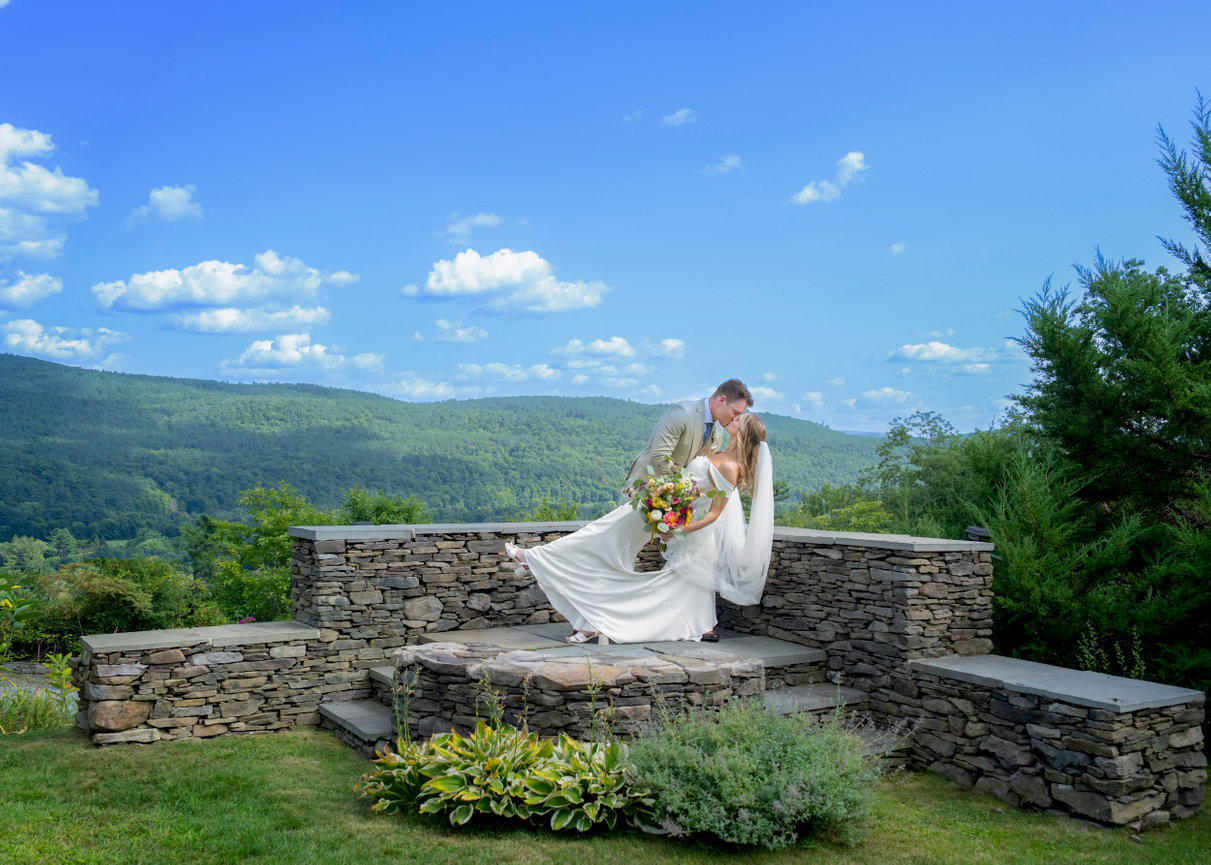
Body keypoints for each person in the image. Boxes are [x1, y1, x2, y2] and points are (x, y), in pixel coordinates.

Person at [506, 412, 773, 645]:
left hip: (696, 540)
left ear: (744, 432)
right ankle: (587, 614)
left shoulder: (730, 466)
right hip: (671, 515)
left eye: (740, 419)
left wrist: (680, 529)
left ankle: (597, 620)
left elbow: (714, 514)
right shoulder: (718, 452)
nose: (734, 418)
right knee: (613, 537)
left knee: (665, 593)